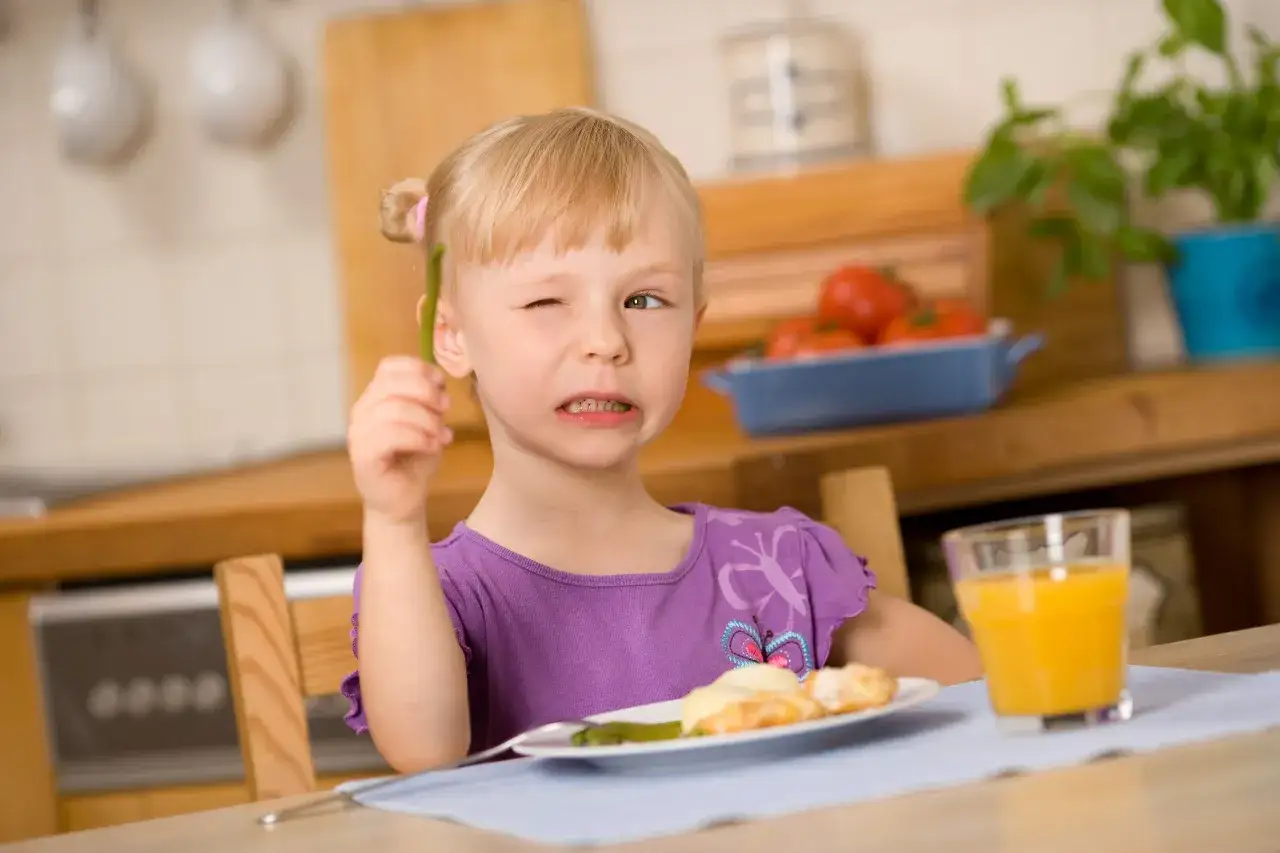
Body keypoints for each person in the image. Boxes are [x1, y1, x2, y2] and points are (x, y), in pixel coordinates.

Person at [340, 107, 982, 773]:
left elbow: (985, 694)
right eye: (545, 302)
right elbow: (423, 749)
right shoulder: (431, 593)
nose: (606, 341)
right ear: (452, 335)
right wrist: (392, 517)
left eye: (645, 300)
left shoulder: (775, 571)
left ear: (693, 325)